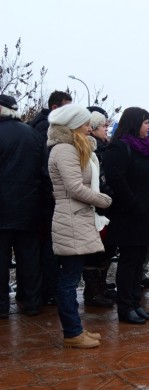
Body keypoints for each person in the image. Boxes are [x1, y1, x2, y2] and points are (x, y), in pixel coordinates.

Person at [46, 104, 112, 348]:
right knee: (69, 279)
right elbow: (74, 187)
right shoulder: (64, 150)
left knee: (72, 277)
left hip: (77, 216)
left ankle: (76, 329)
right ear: (74, 125)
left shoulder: (73, 147)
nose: (88, 128)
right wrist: (102, 200)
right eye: (85, 124)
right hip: (71, 217)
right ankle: (73, 332)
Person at [103, 107, 149, 324]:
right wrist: (134, 204)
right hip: (128, 215)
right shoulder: (120, 147)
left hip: (145, 215)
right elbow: (117, 180)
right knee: (128, 262)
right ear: (134, 123)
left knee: (139, 263)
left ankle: (136, 303)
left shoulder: (146, 148)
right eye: (145, 123)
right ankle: (125, 307)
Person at [0, 94, 51, 318]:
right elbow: (45, 173)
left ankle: (1, 307)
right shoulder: (33, 134)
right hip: (29, 208)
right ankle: (32, 303)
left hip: (1, 209)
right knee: (29, 258)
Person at [28, 90, 72, 306]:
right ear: (55, 108)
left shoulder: (37, 126)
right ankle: (50, 291)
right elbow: (47, 168)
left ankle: (41, 292)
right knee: (50, 247)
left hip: (39, 197)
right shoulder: (48, 129)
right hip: (47, 198)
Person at [81, 108, 115, 307]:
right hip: (96, 206)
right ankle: (92, 293)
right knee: (94, 254)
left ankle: (100, 289)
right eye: (103, 126)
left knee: (105, 251)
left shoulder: (105, 147)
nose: (107, 129)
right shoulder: (92, 151)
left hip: (106, 205)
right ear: (92, 129)